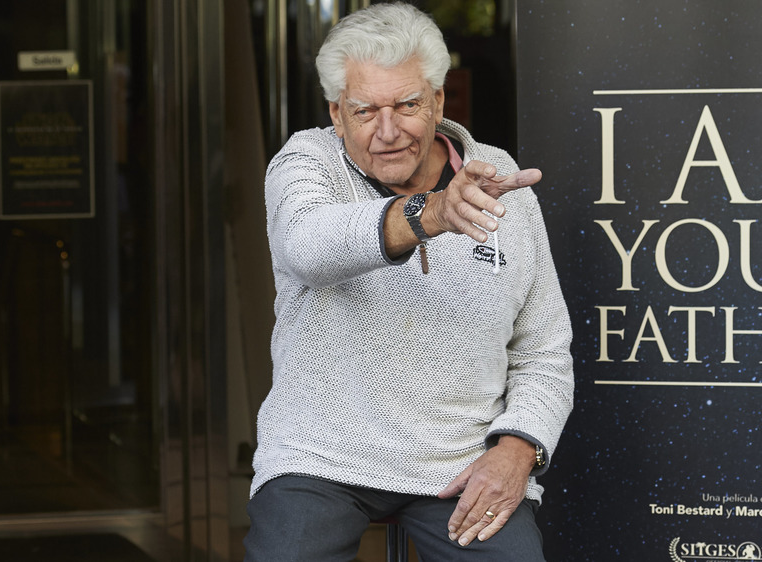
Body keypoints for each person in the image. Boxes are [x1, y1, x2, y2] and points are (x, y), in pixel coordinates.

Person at [244, 3, 573, 560]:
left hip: (460, 461)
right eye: (365, 110)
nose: (388, 131)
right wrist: (433, 213)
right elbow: (308, 245)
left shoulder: (498, 180)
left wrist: (518, 449)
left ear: (439, 101)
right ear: (336, 114)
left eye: (408, 105)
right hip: (319, 455)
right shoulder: (306, 162)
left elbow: (544, 349)